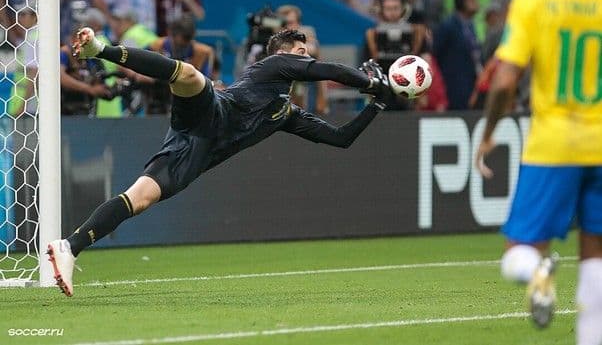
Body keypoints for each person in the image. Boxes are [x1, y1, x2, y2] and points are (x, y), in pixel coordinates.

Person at [46, 28, 392, 297]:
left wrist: (377, 104)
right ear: (283, 56)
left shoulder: (285, 112)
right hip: (211, 111)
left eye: (306, 53)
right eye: (300, 53)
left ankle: (69, 247)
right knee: (191, 76)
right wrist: (370, 81)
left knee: (140, 198)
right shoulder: (272, 65)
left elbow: (340, 138)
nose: (305, 58)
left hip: (197, 153)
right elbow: (327, 70)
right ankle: (100, 50)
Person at [475, 0, 602, 342]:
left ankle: (537, 272)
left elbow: (505, 80)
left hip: (554, 144)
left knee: (520, 252)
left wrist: (490, 131)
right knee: (596, 260)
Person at [148, 15, 216, 114]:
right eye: (179, 44)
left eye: (187, 43)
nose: (183, 47)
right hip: (158, 91)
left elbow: (205, 80)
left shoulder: (203, 52)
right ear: (170, 34)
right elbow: (135, 67)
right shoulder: (156, 47)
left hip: (190, 95)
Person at [433, 0, 482, 110]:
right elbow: (436, 53)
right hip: (453, 83)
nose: (476, 3)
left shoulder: (470, 25)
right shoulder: (448, 26)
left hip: (470, 81)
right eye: (472, 0)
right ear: (461, 2)